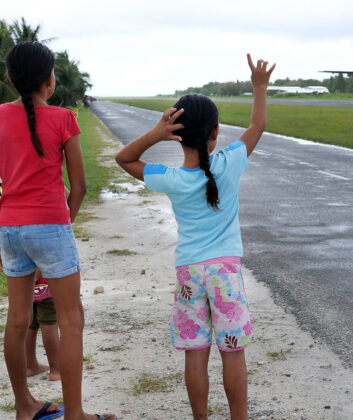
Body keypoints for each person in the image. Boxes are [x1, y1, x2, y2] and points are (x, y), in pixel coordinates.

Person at [115, 54, 275, 419]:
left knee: (196, 352)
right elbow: (257, 124)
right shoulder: (230, 163)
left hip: (190, 273)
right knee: (232, 352)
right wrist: (259, 87)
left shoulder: (171, 178)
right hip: (226, 274)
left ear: (177, 136)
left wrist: (156, 133)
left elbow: (124, 159)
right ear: (216, 133)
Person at [0, 41, 115, 420]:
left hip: (9, 229)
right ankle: (75, 414)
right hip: (51, 226)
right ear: (49, 81)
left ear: (9, 78)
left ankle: (24, 406)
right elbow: (81, 186)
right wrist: (62, 225)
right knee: (72, 320)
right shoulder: (63, 119)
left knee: (17, 319)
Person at [26, 270, 61, 381]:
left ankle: (30, 365)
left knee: (29, 324)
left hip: (23, 285)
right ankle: (56, 370)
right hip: (45, 283)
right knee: (49, 323)